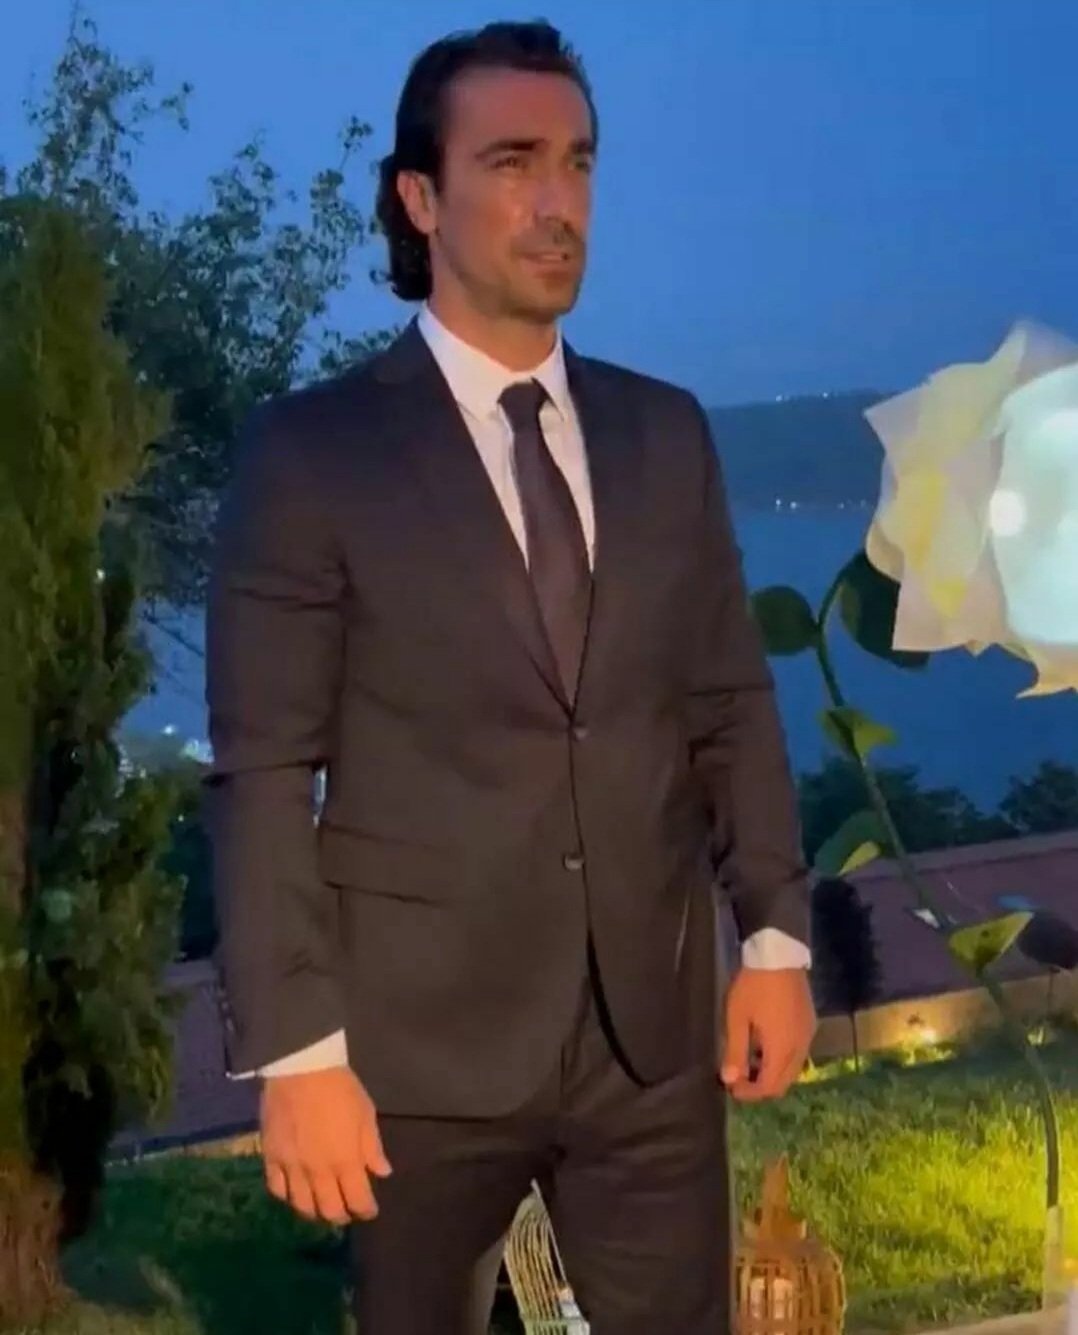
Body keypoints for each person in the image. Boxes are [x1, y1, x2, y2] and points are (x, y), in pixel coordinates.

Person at [205, 19, 815, 1335]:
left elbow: (726, 701)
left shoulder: (663, 434)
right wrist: (298, 1053)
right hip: (415, 1048)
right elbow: (263, 771)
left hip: (649, 1043)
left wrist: (773, 937)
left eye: (579, 162)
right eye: (513, 162)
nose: (558, 202)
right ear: (420, 199)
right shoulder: (313, 455)